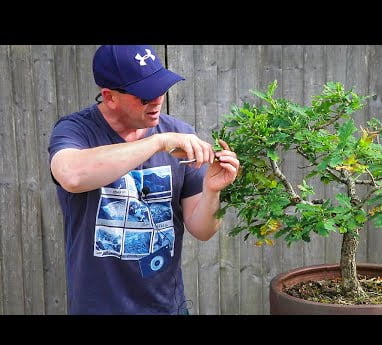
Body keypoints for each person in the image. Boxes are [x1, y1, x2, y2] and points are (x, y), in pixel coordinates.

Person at [48, 45, 239, 315]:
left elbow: (203, 230)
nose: (158, 100)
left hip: (166, 307)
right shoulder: (76, 131)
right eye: (145, 95)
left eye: (161, 88)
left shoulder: (180, 133)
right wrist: (158, 142)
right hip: (97, 308)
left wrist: (211, 191)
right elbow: (71, 175)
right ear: (109, 97)